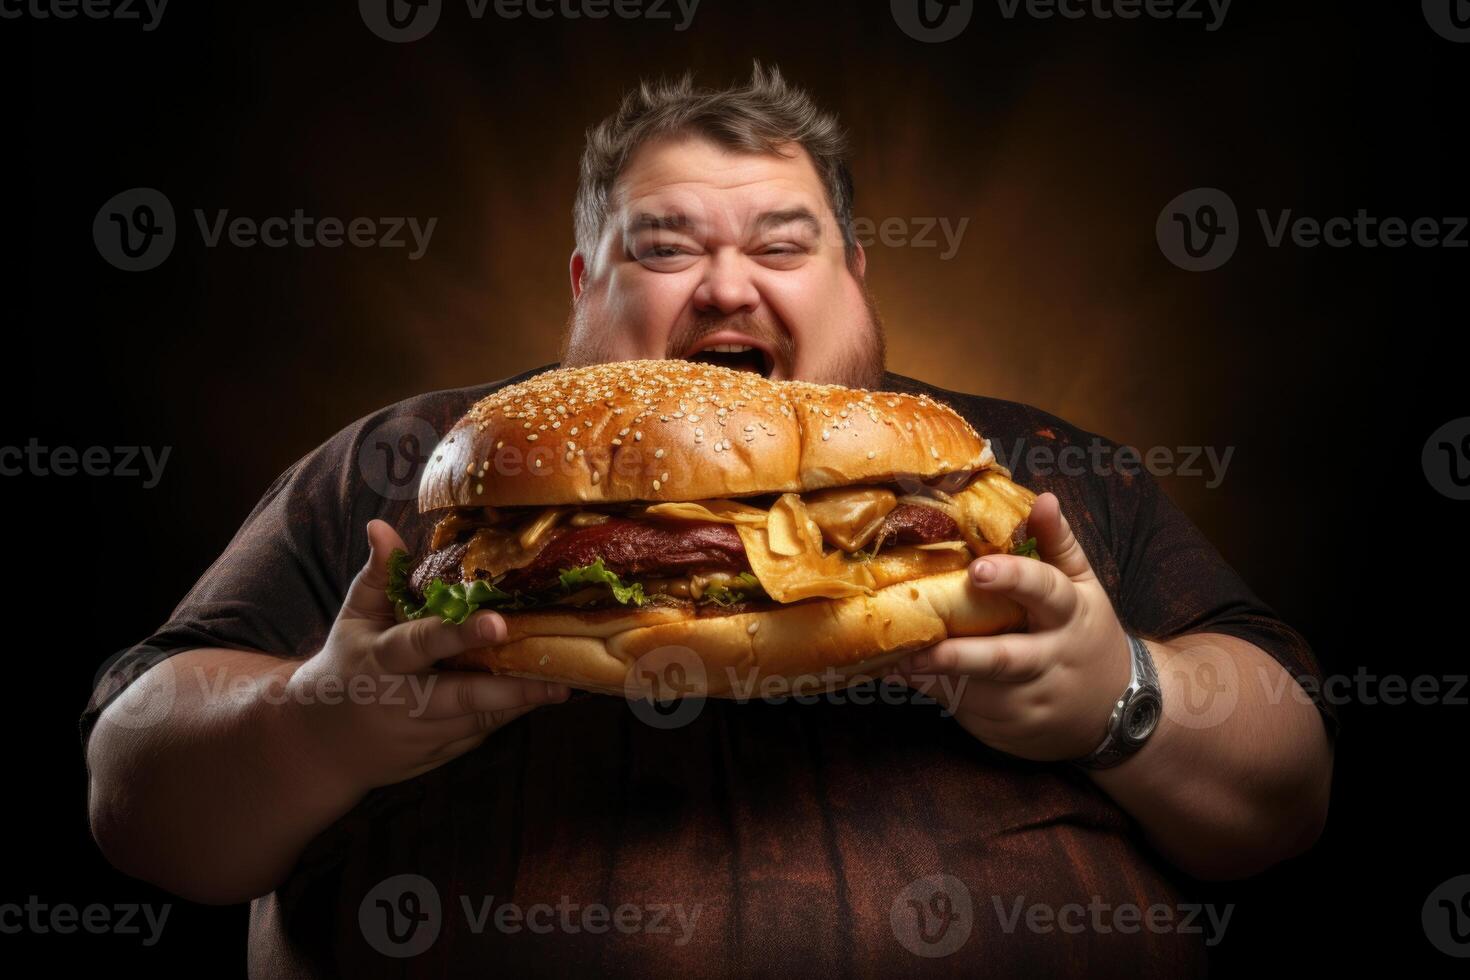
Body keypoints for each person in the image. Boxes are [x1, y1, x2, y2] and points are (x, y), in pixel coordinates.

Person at [82, 62, 1336, 977]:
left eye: (784, 245)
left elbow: (1289, 791)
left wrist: (1122, 697)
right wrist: (319, 727)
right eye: (665, 246)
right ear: (585, 290)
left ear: (859, 278)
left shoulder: (1021, 469)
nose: (727, 285)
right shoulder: (410, 467)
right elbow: (129, 789)